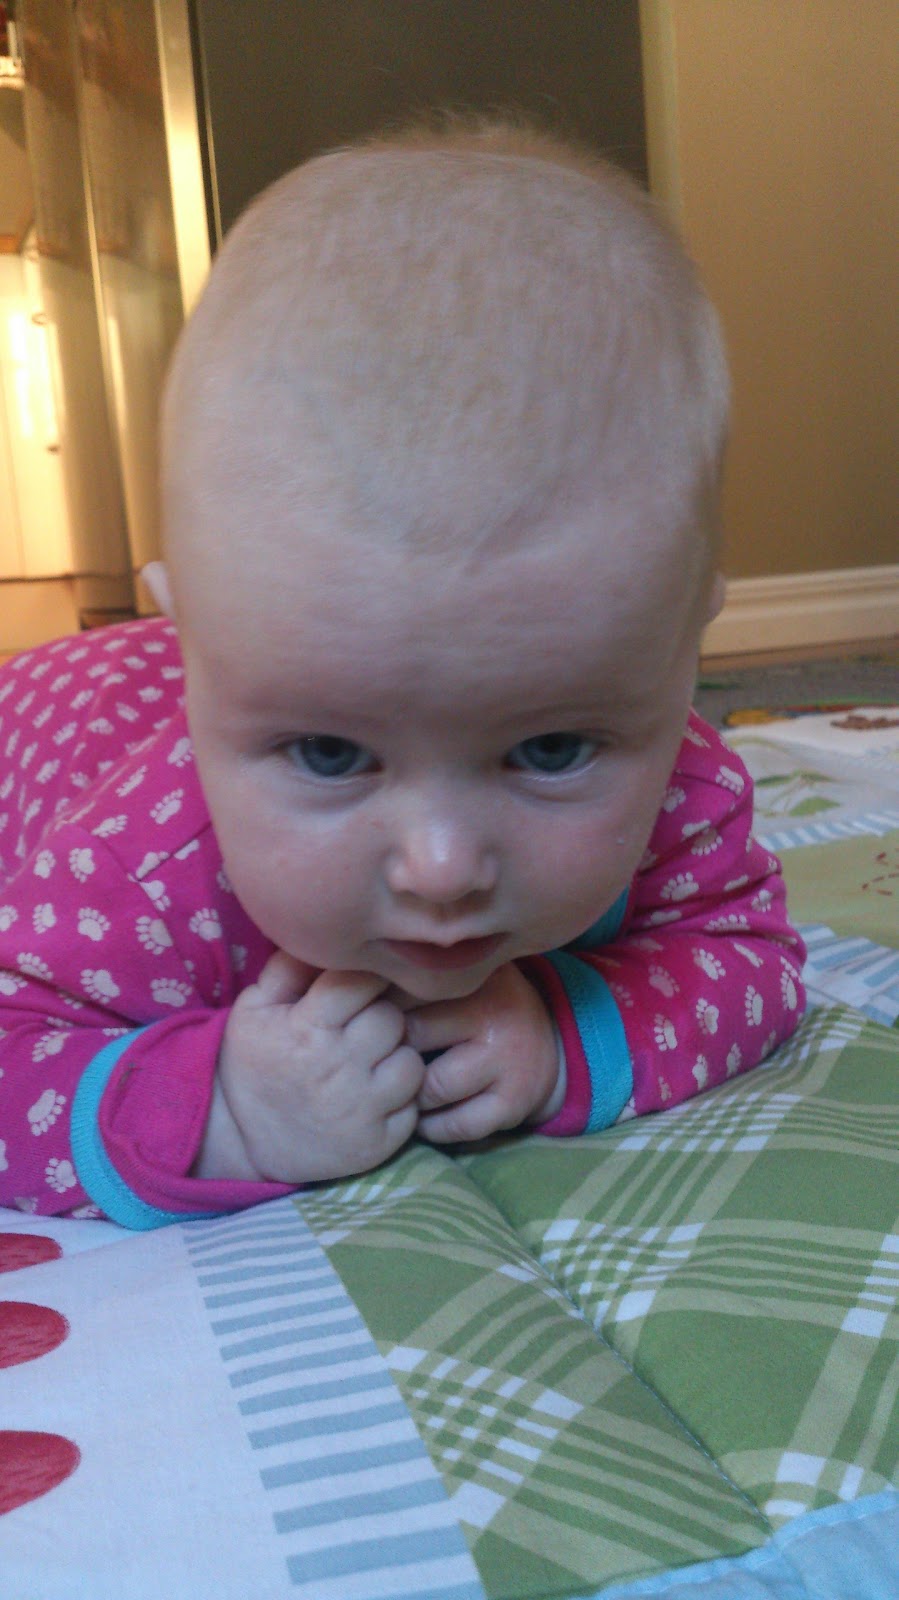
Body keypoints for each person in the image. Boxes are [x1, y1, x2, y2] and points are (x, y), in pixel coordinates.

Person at [0, 118, 806, 1227]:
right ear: (193, 650)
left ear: (682, 651)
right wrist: (224, 1107)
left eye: (548, 749)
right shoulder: (143, 865)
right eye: (330, 754)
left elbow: (747, 959)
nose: (441, 868)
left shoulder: (683, 794)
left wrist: (564, 1028)